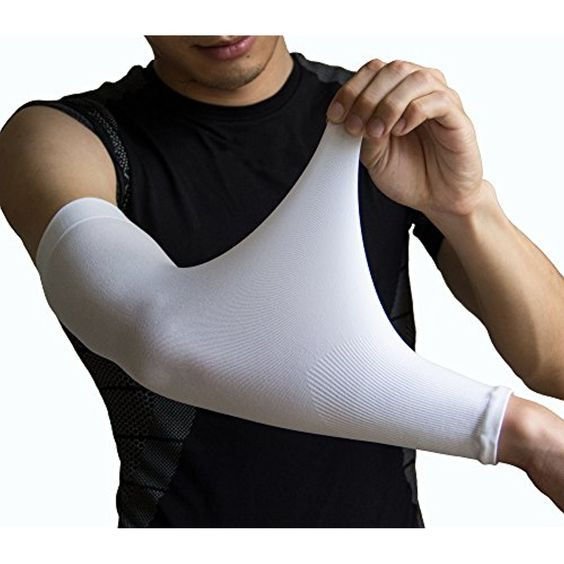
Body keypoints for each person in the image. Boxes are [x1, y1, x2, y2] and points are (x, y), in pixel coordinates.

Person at [0, 35, 562, 527]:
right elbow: (164, 334)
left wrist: (465, 206)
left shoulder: (383, 119)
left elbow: (555, 365)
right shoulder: (62, 139)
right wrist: (513, 431)